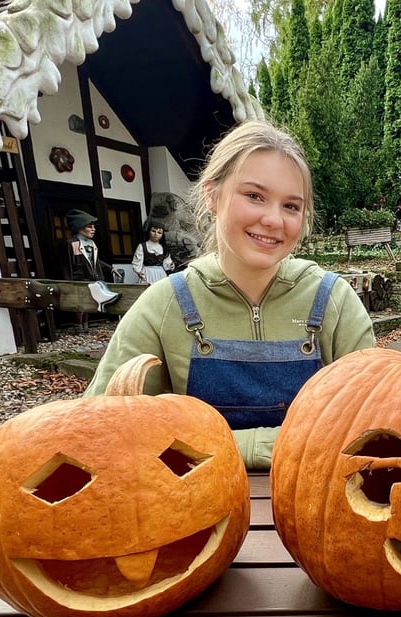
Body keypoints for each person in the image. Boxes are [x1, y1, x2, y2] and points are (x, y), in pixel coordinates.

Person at [85, 120, 376, 469]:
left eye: (291, 206)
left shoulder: (335, 302)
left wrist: (205, 447)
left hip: (318, 506)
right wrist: (264, 445)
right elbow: (103, 427)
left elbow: (369, 427)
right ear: (212, 195)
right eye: (254, 196)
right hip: (189, 510)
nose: (273, 219)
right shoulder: (164, 306)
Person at [64, 209, 118, 333]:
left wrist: (110, 268)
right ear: (79, 227)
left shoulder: (92, 244)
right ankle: (78, 325)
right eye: (89, 226)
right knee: (79, 303)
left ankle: (85, 325)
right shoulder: (72, 243)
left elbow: (96, 261)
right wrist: (68, 282)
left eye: (93, 226)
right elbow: (67, 264)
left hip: (92, 277)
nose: (93, 229)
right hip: (78, 278)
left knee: (89, 302)